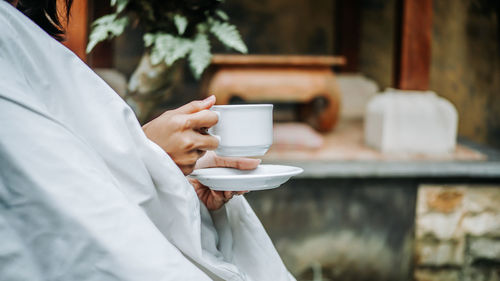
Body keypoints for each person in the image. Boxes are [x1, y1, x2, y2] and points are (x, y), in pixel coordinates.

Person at [0, 0, 295, 280]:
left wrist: (172, 177)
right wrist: (147, 156)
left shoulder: (22, 32)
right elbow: (62, 197)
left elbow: (75, 162)